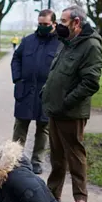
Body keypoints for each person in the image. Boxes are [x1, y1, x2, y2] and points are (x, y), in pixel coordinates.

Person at [41, 5, 102, 202]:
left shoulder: (91, 46)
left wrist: (67, 101)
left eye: (64, 22)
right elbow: (56, 71)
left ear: (77, 23)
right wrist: (45, 91)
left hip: (72, 111)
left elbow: (90, 82)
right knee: (56, 155)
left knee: (75, 154)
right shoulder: (65, 43)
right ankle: (52, 192)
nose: (59, 26)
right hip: (55, 109)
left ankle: (80, 197)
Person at [11, 10, 60, 174]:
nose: (42, 27)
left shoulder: (61, 43)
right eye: (40, 24)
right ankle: (14, 158)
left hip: (46, 93)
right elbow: (16, 58)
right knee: (20, 126)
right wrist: (17, 78)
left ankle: (37, 161)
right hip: (25, 90)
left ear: (54, 24)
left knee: (43, 128)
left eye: (46, 24)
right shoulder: (28, 41)